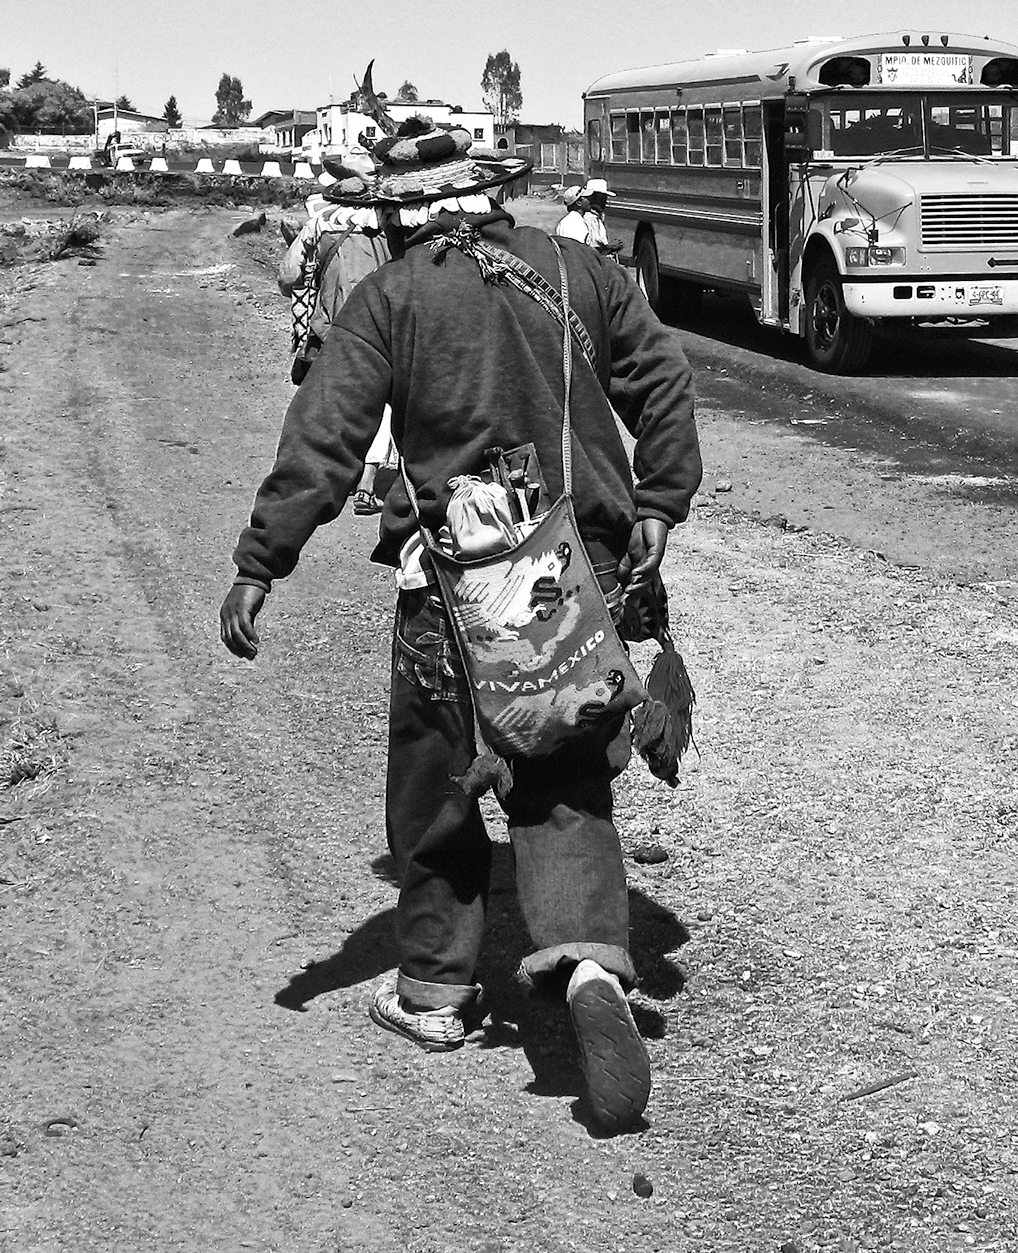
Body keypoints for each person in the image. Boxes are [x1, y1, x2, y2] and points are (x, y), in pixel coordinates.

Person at [219, 114, 701, 1131]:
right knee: (563, 775)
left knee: (436, 775)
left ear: (399, 214)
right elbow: (662, 381)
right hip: (582, 573)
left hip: (454, 582)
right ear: (495, 191)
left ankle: (436, 990)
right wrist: (657, 501)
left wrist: (263, 559)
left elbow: (327, 436)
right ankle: (587, 966)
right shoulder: (585, 275)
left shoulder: (394, 295)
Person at [277, 178, 398, 515]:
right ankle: (368, 482)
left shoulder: (319, 226)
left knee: (330, 398)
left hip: (333, 326)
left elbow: (289, 277)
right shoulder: (391, 226)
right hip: (385, 324)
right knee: (383, 401)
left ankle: (325, 473)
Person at [555, 177, 620, 256]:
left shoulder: (579, 219)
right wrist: (608, 249)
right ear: (579, 202)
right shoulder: (575, 223)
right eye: (588, 198)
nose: (590, 201)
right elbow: (579, 252)